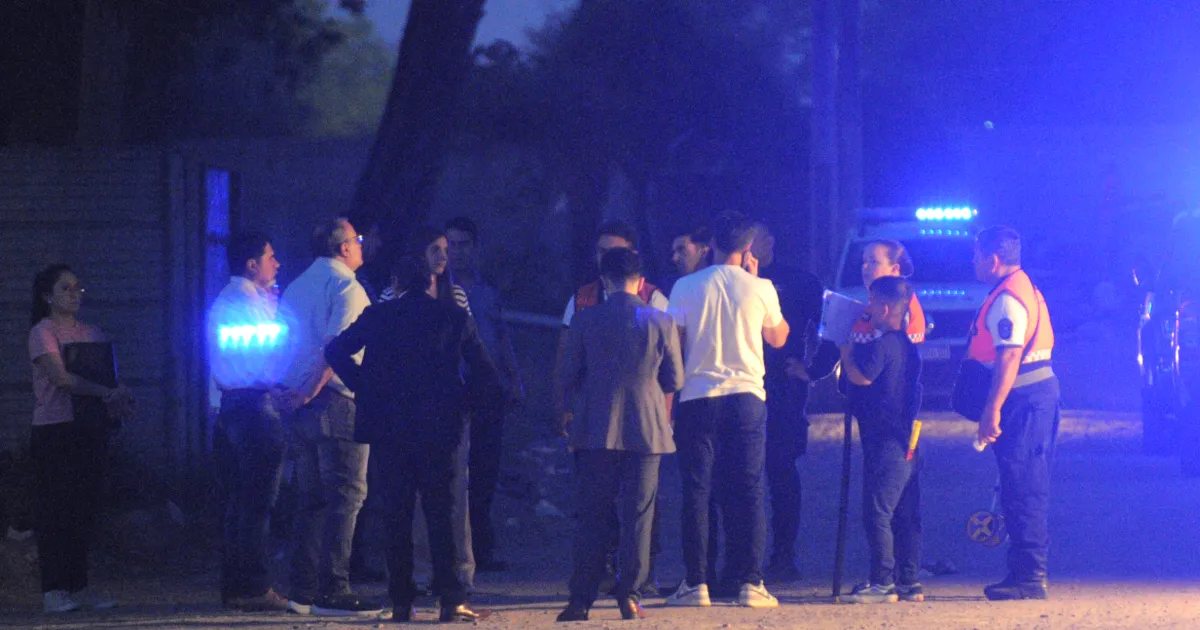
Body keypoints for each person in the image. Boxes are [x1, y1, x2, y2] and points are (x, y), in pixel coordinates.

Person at [324, 254, 499, 623]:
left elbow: (335, 350)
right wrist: (462, 404)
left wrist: (364, 387)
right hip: (441, 429)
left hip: (389, 429)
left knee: (396, 515)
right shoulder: (453, 318)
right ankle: (451, 599)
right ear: (430, 282)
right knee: (443, 514)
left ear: (396, 284)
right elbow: (485, 373)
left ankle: (402, 600)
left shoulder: (378, 316)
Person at [665, 211, 790, 609]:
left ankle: (696, 582)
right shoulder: (761, 287)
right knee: (749, 488)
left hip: (698, 396)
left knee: (697, 490)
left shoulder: (685, 286)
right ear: (748, 247)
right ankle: (751, 582)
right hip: (747, 397)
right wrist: (754, 279)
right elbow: (778, 337)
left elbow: (673, 341)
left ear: (712, 244)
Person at [555, 248, 684, 622]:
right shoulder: (661, 321)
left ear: (605, 280)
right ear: (640, 281)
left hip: (596, 428)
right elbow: (674, 379)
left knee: (592, 514)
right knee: (638, 514)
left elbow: (568, 375)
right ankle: (629, 594)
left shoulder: (585, 320)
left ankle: (581, 598)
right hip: (647, 429)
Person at [279, 217, 381, 617]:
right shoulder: (346, 287)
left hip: (297, 404)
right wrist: (309, 389)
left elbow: (285, 345)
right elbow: (335, 349)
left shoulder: (296, 286)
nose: (361, 244)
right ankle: (334, 589)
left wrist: (291, 392)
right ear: (343, 248)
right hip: (334, 400)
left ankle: (302, 591)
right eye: (357, 239)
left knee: (311, 499)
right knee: (347, 494)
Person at [28, 264, 133, 613]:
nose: (74, 294)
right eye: (65, 288)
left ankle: (79, 586)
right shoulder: (43, 332)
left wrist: (119, 396)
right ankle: (53, 589)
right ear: (48, 296)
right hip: (55, 429)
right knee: (56, 510)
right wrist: (105, 392)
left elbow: (108, 375)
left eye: (77, 288)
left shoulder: (92, 332)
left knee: (84, 510)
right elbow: (61, 379)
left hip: (89, 428)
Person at [965, 226, 1058, 601]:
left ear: (993, 260)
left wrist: (992, 409)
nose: (973, 262)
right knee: (1020, 483)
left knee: (1023, 487)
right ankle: (1024, 572)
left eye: (976, 256)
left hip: (1025, 401)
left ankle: (1029, 576)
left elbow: (1009, 355)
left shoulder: (1008, 298)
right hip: (1032, 397)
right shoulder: (1022, 286)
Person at [208, 231, 292, 611]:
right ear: (252, 264)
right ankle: (255, 588)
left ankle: (236, 588)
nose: (277, 264)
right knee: (257, 504)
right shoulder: (248, 302)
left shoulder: (225, 300)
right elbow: (274, 356)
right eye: (271, 257)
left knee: (239, 504)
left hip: (231, 407)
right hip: (255, 408)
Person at [754, 224, 841, 583]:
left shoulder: (800, 282)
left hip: (783, 388)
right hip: (740, 388)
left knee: (780, 471)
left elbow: (830, 329)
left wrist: (814, 369)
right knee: (738, 477)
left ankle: (782, 555)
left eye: (755, 240)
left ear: (770, 242)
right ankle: (740, 560)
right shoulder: (733, 283)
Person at [838, 276, 924, 604]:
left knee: (877, 511)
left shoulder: (883, 344)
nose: (868, 308)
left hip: (886, 439)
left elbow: (862, 377)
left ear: (885, 308)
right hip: (908, 439)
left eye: (872, 302)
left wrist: (846, 352)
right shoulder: (909, 347)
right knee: (905, 512)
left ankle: (882, 582)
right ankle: (909, 581)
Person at [446, 216, 524, 572]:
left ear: (474, 248)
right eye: (451, 245)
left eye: (463, 245)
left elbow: (501, 338)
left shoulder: (486, 292)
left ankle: (481, 546)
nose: (457, 252)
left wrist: (514, 379)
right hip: (452, 388)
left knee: (485, 469)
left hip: (487, 388)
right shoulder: (438, 289)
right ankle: (453, 549)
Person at [851, 240, 926, 344]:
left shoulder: (897, 303)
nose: (865, 266)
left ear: (894, 269)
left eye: (873, 261)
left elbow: (888, 348)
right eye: (865, 261)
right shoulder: (884, 298)